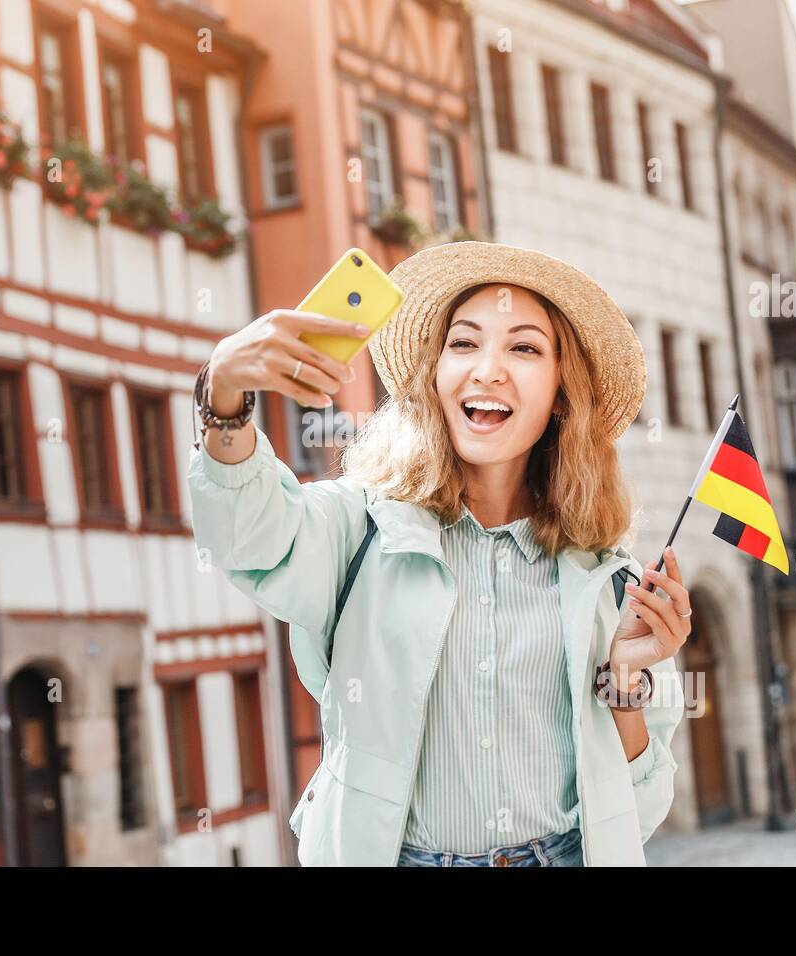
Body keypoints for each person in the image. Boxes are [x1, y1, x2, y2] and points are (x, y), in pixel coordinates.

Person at [187, 241, 690, 866]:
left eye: (525, 347)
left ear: (562, 393)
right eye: (464, 342)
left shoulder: (612, 581)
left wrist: (624, 684)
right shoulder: (359, 527)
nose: (488, 369)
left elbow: (639, 814)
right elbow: (245, 537)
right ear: (434, 374)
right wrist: (224, 397)